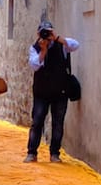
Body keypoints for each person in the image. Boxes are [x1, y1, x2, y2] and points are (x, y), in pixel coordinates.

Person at [25, 19, 81, 162]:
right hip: (41, 92)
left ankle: (54, 153)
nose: (46, 36)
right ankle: (32, 152)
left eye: (48, 32)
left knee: (58, 122)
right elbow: (35, 65)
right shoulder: (35, 48)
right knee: (37, 121)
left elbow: (75, 45)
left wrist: (56, 38)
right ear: (38, 34)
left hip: (60, 91)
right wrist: (43, 50)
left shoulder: (61, 45)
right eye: (43, 33)